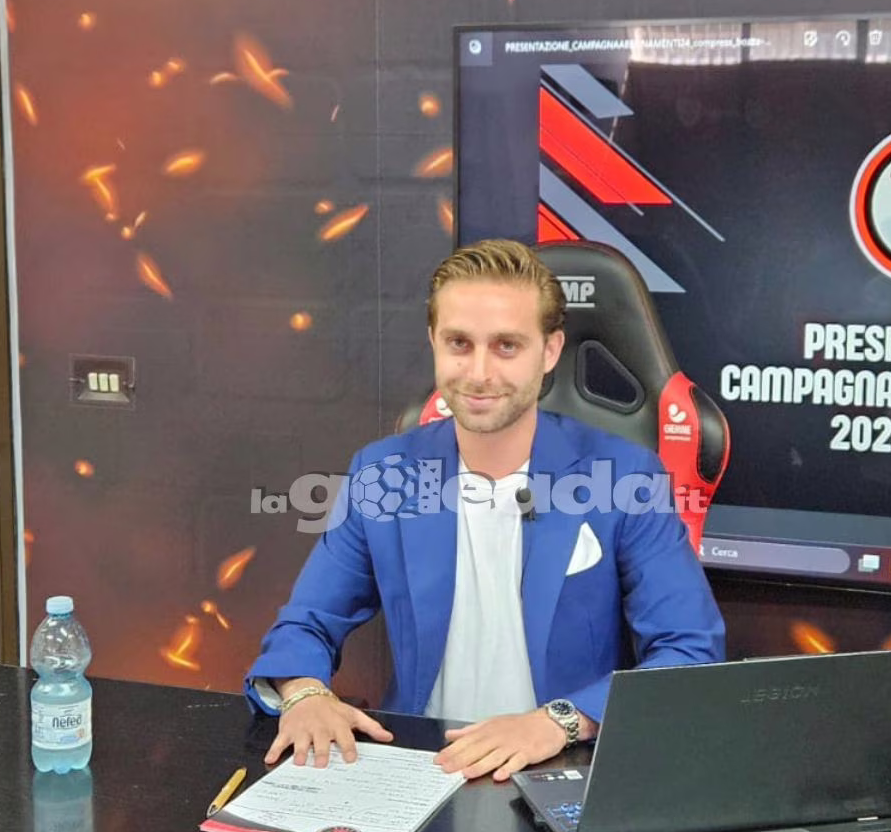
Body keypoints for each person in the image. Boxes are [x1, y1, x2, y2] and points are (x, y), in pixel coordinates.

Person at [244, 238, 725, 781]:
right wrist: (304, 694)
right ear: (433, 342)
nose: (478, 373)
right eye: (459, 343)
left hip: (564, 768)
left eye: (506, 346)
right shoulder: (383, 473)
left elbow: (689, 651)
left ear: (550, 351)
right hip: (422, 767)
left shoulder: (627, 475)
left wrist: (562, 721)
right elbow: (306, 623)